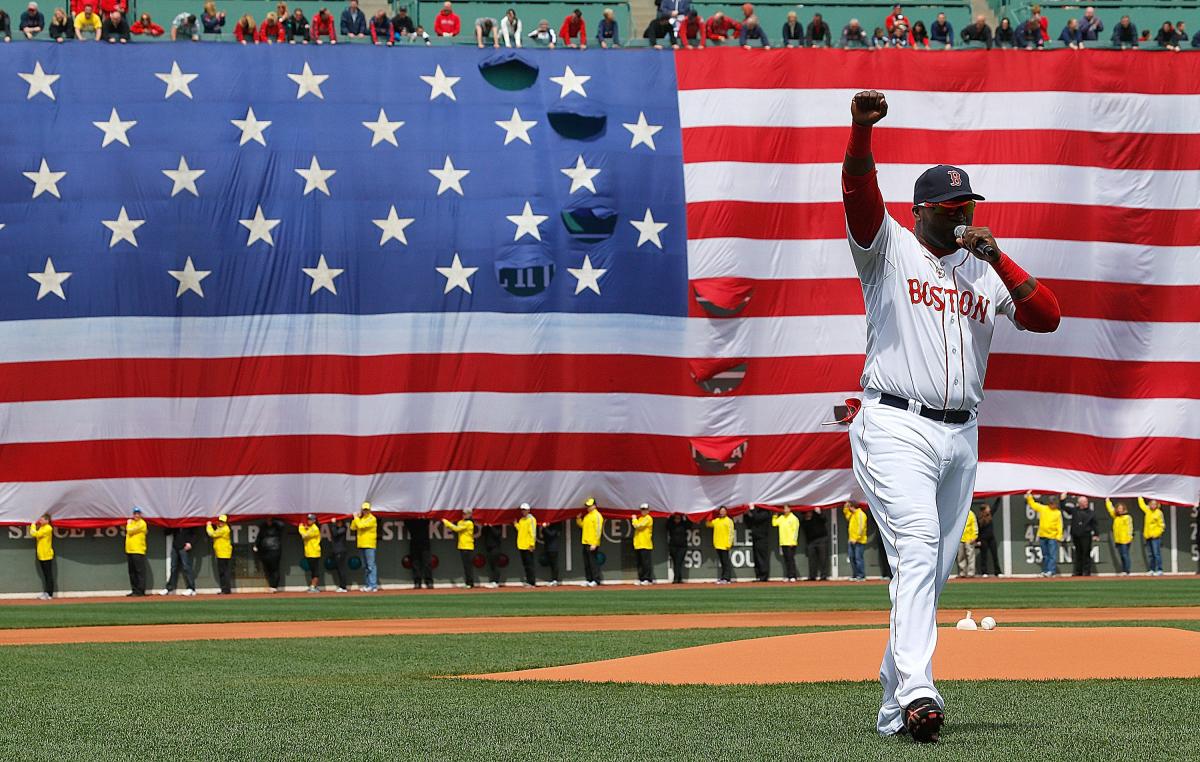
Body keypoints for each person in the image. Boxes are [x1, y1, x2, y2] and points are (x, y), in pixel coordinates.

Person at [843, 90, 1061, 743]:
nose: (964, 213)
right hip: (894, 423)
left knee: (932, 573)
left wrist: (996, 255)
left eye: (969, 204)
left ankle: (891, 706)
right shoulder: (888, 250)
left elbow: (1047, 316)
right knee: (916, 548)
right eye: (951, 207)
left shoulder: (982, 270)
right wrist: (860, 132)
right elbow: (858, 194)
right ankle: (919, 693)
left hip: (962, 431)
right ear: (923, 213)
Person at [1025, 493, 1063, 576]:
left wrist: (1058, 536)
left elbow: (1059, 525)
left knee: (1052, 555)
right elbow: (1033, 505)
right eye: (1052, 503)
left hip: (1052, 536)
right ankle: (1045, 571)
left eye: (1054, 503)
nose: (1053, 505)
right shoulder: (1043, 508)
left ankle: (1051, 571)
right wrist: (1029, 496)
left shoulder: (1058, 513)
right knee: (1045, 555)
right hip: (1042, 535)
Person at [1060, 494, 1098, 575]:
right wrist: (1062, 499)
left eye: (1086, 502)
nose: (1086, 503)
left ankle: (1086, 571)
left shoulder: (1091, 513)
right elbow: (1064, 507)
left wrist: (1096, 534)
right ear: (1079, 503)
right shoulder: (1074, 510)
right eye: (1084, 502)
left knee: (1086, 553)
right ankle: (1078, 571)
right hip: (1076, 535)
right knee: (1078, 553)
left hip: (1086, 535)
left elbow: (1094, 524)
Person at [443, 509, 476, 588]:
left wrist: (446, 522)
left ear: (470, 515)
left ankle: (470, 583)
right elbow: (458, 525)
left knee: (468, 566)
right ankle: (467, 582)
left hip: (468, 546)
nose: (464, 515)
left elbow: (457, 529)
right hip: (462, 546)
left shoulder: (469, 523)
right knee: (465, 565)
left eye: (466, 514)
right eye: (463, 513)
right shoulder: (462, 522)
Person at [162, 525, 198, 596]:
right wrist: (170, 525)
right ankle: (169, 588)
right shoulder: (176, 523)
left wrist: (190, 543)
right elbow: (167, 532)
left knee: (186, 567)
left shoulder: (189, 523)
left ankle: (191, 588)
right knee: (173, 568)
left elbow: (194, 534)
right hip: (175, 546)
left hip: (184, 547)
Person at [351, 503, 378, 592]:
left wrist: (356, 518)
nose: (365, 511)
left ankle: (373, 585)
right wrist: (356, 518)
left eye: (367, 510)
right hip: (361, 544)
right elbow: (353, 527)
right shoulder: (361, 519)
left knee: (371, 566)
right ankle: (368, 585)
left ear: (370, 510)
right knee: (365, 566)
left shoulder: (372, 519)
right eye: (364, 510)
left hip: (369, 544)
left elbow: (361, 526)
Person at [253, 517, 285, 591]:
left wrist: (275, 520)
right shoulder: (263, 528)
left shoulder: (277, 527)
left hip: (275, 549)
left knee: (275, 568)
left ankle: (274, 586)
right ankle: (271, 585)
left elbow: (282, 525)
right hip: (265, 550)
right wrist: (256, 545)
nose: (269, 521)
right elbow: (259, 537)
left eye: (270, 520)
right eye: (268, 520)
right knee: (268, 568)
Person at [577, 498, 604, 586]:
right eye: (587, 506)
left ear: (595, 506)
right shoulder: (587, 516)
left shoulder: (597, 516)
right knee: (587, 563)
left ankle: (596, 580)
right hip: (585, 542)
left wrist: (595, 543)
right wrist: (578, 519)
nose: (588, 507)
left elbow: (598, 530)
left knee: (593, 563)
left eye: (590, 506)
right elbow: (583, 526)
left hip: (592, 543)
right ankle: (589, 579)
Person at [705, 506, 735, 583]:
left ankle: (727, 578)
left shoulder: (729, 521)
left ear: (726, 512)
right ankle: (723, 577)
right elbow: (708, 524)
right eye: (721, 511)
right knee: (722, 562)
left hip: (725, 545)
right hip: (718, 544)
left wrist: (729, 543)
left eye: (723, 511)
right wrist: (708, 514)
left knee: (726, 562)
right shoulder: (717, 521)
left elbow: (731, 533)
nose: (722, 512)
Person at [206, 514, 233, 594]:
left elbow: (212, 534)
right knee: (224, 571)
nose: (220, 523)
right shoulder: (223, 528)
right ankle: (225, 589)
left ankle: (225, 589)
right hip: (222, 552)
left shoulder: (224, 529)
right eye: (220, 521)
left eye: (222, 522)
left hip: (223, 553)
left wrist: (209, 525)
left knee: (223, 572)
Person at [743, 505, 771, 581]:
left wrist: (752, 510)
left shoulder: (766, 513)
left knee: (762, 557)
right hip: (755, 537)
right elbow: (750, 523)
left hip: (762, 538)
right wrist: (745, 514)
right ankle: (758, 575)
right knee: (756, 557)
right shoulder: (757, 513)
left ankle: (763, 576)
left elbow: (757, 518)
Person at [29, 514, 54, 600]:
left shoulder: (48, 528)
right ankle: (46, 592)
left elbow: (35, 534)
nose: (40, 521)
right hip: (41, 555)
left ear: (47, 521)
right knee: (45, 575)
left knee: (48, 575)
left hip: (47, 555)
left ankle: (50, 594)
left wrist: (32, 525)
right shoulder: (42, 527)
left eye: (42, 520)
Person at [1106, 498, 1133, 575]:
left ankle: (1127, 570)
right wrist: (1107, 500)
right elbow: (1110, 509)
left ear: (1124, 509)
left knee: (1125, 555)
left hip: (1125, 539)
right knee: (1122, 555)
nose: (1119, 510)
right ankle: (1124, 570)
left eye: (1121, 508)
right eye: (1118, 508)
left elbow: (1130, 528)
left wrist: (1130, 537)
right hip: (1118, 539)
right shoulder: (1116, 517)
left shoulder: (1127, 517)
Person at [773, 505, 800, 581]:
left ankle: (793, 576)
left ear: (790, 509)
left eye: (786, 508)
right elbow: (774, 524)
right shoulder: (782, 518)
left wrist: (793, 541)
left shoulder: (794, 518)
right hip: (783, 542)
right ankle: (789, 575)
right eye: (784, 509)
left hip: (790, 543)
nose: (785, 510)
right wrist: (775, 515)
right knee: (786, 560)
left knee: (791, 559)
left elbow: (795, 531)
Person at [124, 507, 148, 596]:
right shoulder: (132, 522)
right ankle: (134, 590)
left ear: (140, 514)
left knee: (139, 571)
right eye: (135, 513)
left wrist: (129, 524)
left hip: (138, 550)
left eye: (138, 513)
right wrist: (129, 524)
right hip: (129, 550)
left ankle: (140, 591)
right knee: (132, 572)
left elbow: (130, 530)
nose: (136, 515)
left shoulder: (142, 523)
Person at [1139, 497, 1165, 575]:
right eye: (1151, 504)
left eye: (1154, 504)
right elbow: (1142, 505)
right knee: (1151, 554)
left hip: (1155, 536)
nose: (1153, 505)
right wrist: (1140, 496)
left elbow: (1161, 526)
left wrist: (1157, 534)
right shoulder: (1148, 511)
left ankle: (1159, 569)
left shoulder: (1159, 513)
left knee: (1156, 553)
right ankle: (1152, 569)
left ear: (1157, 505)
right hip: (1148, 535)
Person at [801, 507, 829, 580]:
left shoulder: (817, 517)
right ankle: (812, 576)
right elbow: (806, 534)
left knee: (823, 559)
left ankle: (823, 576)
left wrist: (819, 512)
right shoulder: (804, 521)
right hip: (811, 542)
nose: (808, 514)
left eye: (809, 512)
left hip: (821, 539)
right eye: (806, 513)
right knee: (812, 560)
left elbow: (824, 519)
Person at [405, 518, 433, 589]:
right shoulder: (410, 521)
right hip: (414, 543)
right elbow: (406, 521)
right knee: (415, 563)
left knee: (427, 563)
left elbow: (428, 520)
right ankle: (417, 582)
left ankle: (429, 581)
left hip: (425, 543)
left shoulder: (424, 519)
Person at [843, 502, 868, 580]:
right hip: (851, 540)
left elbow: (861, 527)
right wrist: (845, 507)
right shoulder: (852, 514)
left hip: (859, 541)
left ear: (852, 506)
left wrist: (856, 538)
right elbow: (846, 515)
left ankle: (861, 575)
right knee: (852, 558)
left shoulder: (861, 514)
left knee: (858, 558)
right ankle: (855, 574)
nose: (848, 508)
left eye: (849, 507)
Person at [631, 503, 655, 585]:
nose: (643, 511)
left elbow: (638, 526)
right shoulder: (640, 518)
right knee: (639, 563)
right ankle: (641, 578)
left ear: (648, 510)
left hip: (645, 544)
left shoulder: (648, 518)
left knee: (646, 563)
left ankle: (647, 579)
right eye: (642, 509)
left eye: (645, 509)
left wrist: (634, 519)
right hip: (638, 544)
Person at [514, 503, 538, 586]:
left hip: (528, 546)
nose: (523, 511)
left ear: (528, 510)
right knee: (526, 564)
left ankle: (532, 581)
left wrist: (532, 544)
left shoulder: (531, 519)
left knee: (530, 564)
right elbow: (520, 530)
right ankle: (528, 580)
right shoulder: (522, 520)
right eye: (522, 510)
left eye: (524, 510)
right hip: (521, 545)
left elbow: (533, 532)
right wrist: (516, 524)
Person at [299, 514, 322, 592]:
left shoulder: (315, 528)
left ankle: (313, 586)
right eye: (308, 519)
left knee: (315, 570)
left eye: (311, 519)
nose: (309, 521)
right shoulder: (310, 528)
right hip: (309, 552)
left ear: (314, 520)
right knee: (312, 570)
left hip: (314, 552)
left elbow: (304, 535)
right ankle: (313, 586)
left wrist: (301, 527)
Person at [976, 504, 1001, 576]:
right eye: (988, 508)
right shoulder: (979, 518)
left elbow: (995, 507)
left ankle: (997, 572)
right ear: (984, 509)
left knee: (995, 556)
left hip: (991, 539)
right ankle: (984, 572)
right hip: (983, 540)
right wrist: (978, 540)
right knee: (984, 556)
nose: (989, 509)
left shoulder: (990, 515)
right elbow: (978, 530)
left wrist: (999, 497)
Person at [328, 518, 350, 593]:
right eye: (337, 522)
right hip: (336, 551)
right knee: (339, 569)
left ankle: (343, 586)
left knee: (341, 569)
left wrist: (333, 524)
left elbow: (335, 533)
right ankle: (341, 586)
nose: (337, 523)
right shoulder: (337, 528)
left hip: (341, 551)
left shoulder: (343, 529)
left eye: (338, 522)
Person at [667, 513, 689, 583]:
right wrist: (669, 517)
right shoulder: (671, 525)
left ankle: (676, 578)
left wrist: (685, 518)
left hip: (682, 546)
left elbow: (689, 525)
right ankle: (679, 578)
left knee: (678, 562)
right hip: (673, 546)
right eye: (676, 518)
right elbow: (666, 526)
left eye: (679, 518)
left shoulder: (683, 524)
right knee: (675, 562)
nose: (677, 520)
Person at [540, 519, 563, 585]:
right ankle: (553, 579)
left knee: (554, 564)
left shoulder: (556, 526)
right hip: (547, 547)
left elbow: (551, 534)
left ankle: (555, 579)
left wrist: (545, 528)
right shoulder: (548, 526)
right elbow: (542, 535)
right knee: (551, 564)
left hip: (553, 548)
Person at [956, 507, 977, 578]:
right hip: (960, 538)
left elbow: (974, 525)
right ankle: (962, 573)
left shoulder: (971, 514)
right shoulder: (959, 513)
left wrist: (974, 536)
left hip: (969, 539)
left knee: (970, 556)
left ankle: (971, 573)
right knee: (960, 557)